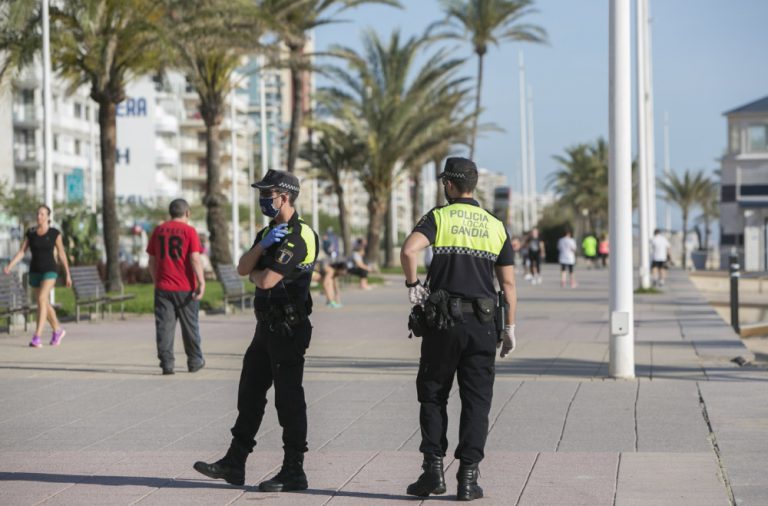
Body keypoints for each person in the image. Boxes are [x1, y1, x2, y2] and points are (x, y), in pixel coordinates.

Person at [400, 157, 517, 502]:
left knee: (434, 393)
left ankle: (432, 472)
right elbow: (508, 284)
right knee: (476, 401)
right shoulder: (495, 225)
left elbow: (409, 250)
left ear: (449, 185)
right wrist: (509, 326)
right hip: (483, 325)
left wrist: (413, 284)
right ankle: (468, 479)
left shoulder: (439, 217)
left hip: (443, 324)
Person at [194, 169, 318, 493]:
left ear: (285, 197)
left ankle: (294, 470)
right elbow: (242, 267)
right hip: (265, 327)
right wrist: (261, 247)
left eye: (269, 194)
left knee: (288, 400)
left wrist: (257, 265)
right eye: (262, 193)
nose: (264, 199)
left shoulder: (300, 235)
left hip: (289, 328)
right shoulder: (268, 232)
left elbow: (263, 280)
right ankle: (235, 462)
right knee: (249, 393)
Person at [146, 199, 206, 375]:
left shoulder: (158, 230)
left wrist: (156, 280)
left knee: (164, 326)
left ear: (170, 213)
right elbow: (195, 258)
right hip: (186, 288)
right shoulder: (190, 231)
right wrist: (201, 282)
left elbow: (151, 260)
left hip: (163, 287)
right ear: (187, 213)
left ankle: (167, 363)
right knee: (190, 326)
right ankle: (194, 361)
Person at [3, 205, 71, 348]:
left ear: (47, 217)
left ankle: (37, 337)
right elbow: (22, 252)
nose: (38, 216)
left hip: (50, 271)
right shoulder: (31, 233)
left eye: (42, 214)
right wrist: (10, 265)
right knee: (44, 302)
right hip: (35, 271)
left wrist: (67, 274)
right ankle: (57, 330)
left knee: (41, 299)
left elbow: (61, 254)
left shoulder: (54, 233)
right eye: (37, 213)